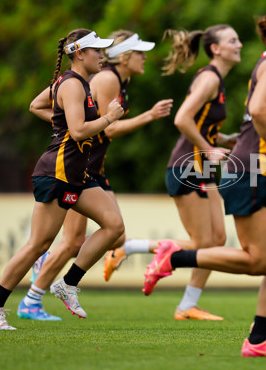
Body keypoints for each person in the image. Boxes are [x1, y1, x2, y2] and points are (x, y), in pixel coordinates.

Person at [142, 0, 266, 358]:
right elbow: (257, 111)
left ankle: (260, 339)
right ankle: (173, 257)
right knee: (261, 261)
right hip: (254, 167)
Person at [18, 30, 173, 321]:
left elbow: (71, 117)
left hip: (93, 169)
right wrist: (148, 116)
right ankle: (34, 295)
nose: (145, 58)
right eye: (139, 53)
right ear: (125, 57)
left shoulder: (118, 81)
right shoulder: (107, 79)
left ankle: (43, 283)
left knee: (109, 233)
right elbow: (107, 127)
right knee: (72, 241)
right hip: (79, 169)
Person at [0, 29, 125, 330]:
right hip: (57, 172)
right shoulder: (72, 85)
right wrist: (109, 118)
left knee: (114, 226)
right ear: (79, 53)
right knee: (39, 244)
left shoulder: (75, 83)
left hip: (76, 174)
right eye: (97, 50)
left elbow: (37, 106)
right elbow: (80, 131)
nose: (102, 55)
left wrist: (62, 121)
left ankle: (67, 284)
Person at [151, 24, 242, 321]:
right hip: (187, 167)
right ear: (216, 49)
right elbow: (182, 119)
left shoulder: (216, 79)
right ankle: (131, 248)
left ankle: (187, 305)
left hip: (200, 167)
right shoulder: (209, 78)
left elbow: (200, 124)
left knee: (216, 240)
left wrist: (222, 139)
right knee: (206, 244)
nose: (239, 44)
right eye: (233, 40)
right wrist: (207, 148)